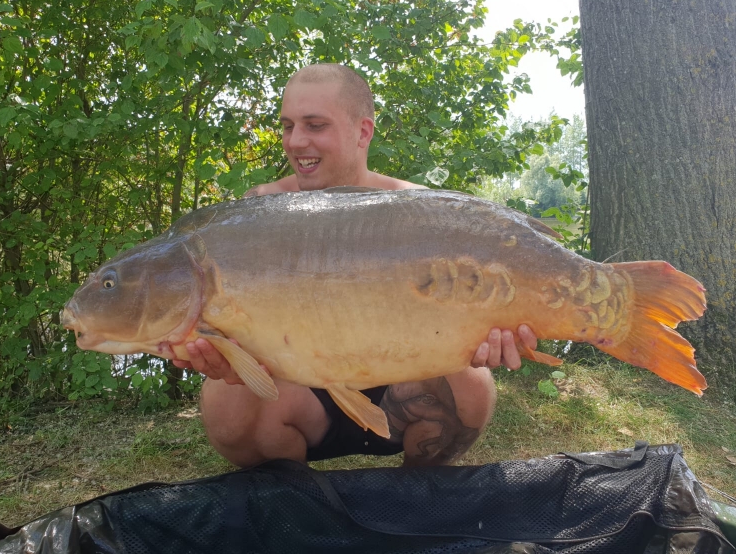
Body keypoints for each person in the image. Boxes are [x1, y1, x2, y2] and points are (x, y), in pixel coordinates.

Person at [172, 64, 538, 467]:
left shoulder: (418, 209)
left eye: (314, 125)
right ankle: (289, 500)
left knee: (473, 391)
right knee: (226, 408)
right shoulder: (261, 210)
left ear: (363, 132)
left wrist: (488, 337)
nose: (295, 141)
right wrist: (223, 355)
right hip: (301, 391)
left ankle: (418, 494)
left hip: (399, 385)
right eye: (288, 125)